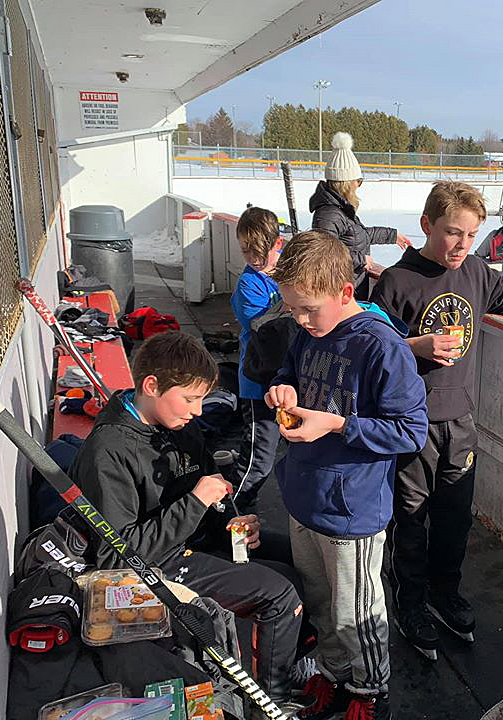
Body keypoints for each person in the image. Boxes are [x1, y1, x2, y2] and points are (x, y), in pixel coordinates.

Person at [369, 181, 503, 661]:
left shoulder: (477, 271)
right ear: (426, 225)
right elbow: (371, 348)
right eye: (452, 233)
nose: (461, 246)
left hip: (463, 421)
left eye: (471, 235)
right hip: (410, 424)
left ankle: (445, 592)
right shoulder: (396, 280)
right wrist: (417, 345)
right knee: (411, 519)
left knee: (455, 516)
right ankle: (410, 601)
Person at [71, 331, 305, 714]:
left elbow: (210, 481)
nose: (198, 410)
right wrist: (197, 502)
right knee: (280, 595)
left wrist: (232, 520)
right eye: (191, 398)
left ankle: (286, 664)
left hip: (199, 536)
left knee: (300, 563)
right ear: (151, 385)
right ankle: (269, 703)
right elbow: (117, 558)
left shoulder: (180, 422)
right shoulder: (108, 451)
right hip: (156, 565)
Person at [266, 230, 428, 720]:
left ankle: (370, 689)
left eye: (308, 308)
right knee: (320, 602)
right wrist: (283, 392)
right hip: (303, 496)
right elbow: (288, 373)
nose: (299, 319)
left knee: (355, 612)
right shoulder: (306, 331)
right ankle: (337, 673)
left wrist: (336, 424)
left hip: (350, 511)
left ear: (345, 291)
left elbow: (410, 431)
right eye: (291, 308)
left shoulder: (382, 347)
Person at [229, 205, 285, 510]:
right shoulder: (249, 284)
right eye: (245, 251)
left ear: (278, 244)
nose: (251, 259)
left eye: (258, 252)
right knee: (258, 461)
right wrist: (293, 300)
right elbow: (264, 326)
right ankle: (234, 515)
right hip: (259, 384)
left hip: (291, 381)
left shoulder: (289, 268)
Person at [310, 132, 410, 299]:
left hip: (351, 289)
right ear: (347, 183)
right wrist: (361, 259)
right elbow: (324, 255)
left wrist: (392, 235)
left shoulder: (341, 210)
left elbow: (358, 235)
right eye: (359, 180)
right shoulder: (329, 214)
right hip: (340, 293)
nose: (359, 186)